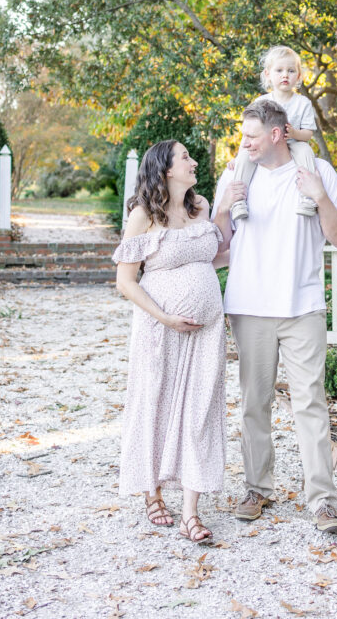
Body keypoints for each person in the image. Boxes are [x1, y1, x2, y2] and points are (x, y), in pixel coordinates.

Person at [213, 99, 337, 534]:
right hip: (250, 307)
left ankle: (324, 502)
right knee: (254, 404)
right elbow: (217, 246)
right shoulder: (236, 174)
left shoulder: (318, 172)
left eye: (251, 136)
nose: (244, 143)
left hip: (302, 306)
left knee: (310, 403)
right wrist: (223, 207)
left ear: (276, 134)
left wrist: (319, 196)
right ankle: (257, 489)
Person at [113, 140, 227, 543]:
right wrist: (165, 316)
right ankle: (153, 491)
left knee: (200, 409)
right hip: (159, 329)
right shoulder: (143, 215)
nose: (193, 162)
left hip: (206, 332)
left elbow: (212, 257)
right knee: (155, 404)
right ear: (165, 169)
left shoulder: (202, 208)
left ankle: (191, 513)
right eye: (185, 157)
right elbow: (125, 281)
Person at [230, 45, 318, 221]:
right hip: (265, 146)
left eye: (291, 71)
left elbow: (308, 134)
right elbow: (249, 132)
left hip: (292, 144)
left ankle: (308, 198)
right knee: (244, 159)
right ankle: (238, 202)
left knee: (306, 152)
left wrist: (294, 133)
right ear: (268, 74)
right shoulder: (261, 101)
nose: (285, 75)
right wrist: (239, 154)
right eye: (279, 70)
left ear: (298, 76)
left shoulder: (303, 103)